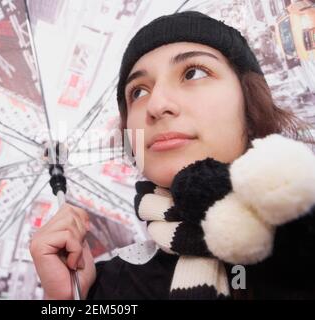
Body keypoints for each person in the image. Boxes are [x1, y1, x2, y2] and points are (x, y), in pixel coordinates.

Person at [29, 11, 315, 300]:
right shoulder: (108, 287)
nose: (157, 104)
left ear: (250, 103)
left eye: (193, 73)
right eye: (138, 92)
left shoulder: (303, 239)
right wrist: (65, 301)